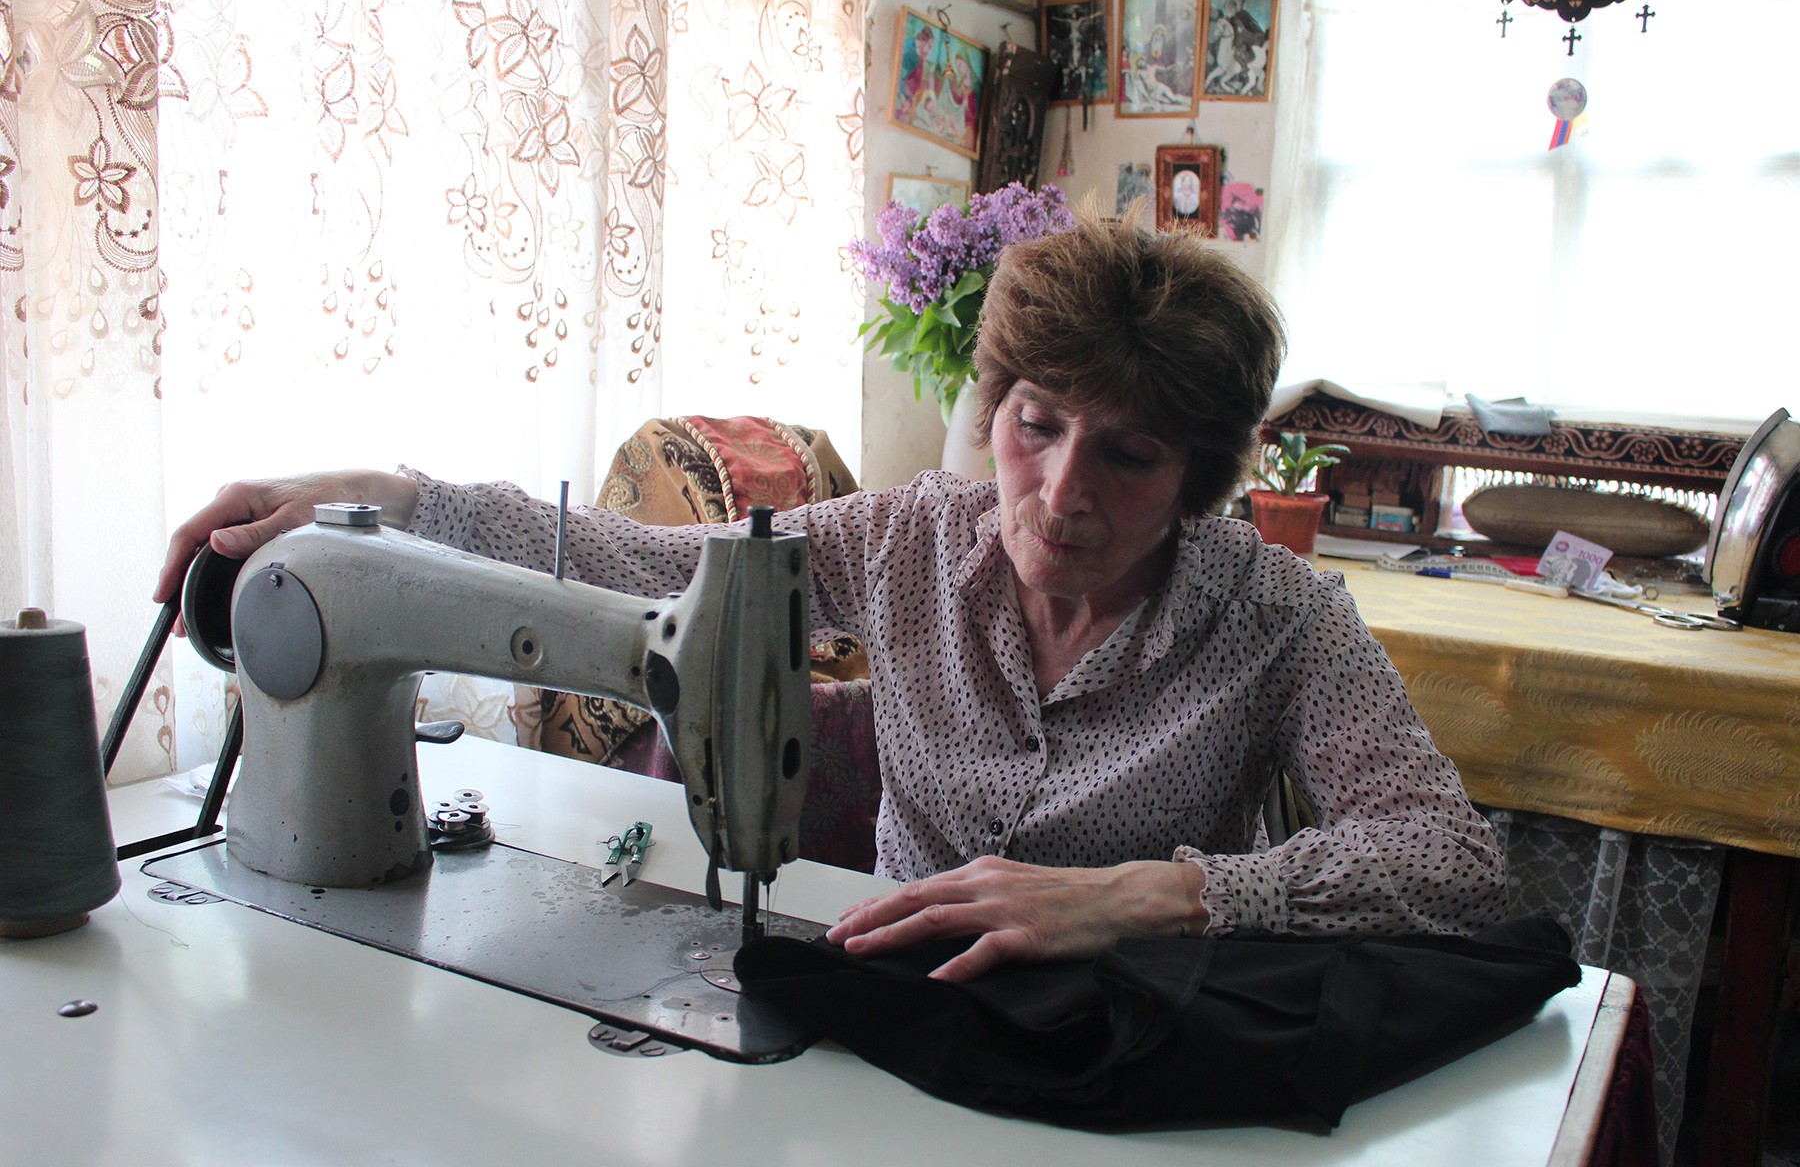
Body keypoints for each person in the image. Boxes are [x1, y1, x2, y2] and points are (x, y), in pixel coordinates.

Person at [154, 210, 1506, 985]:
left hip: (1142, 1057)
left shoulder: (1280, 617)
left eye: (1131, 454)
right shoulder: (909, 542)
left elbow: (1452, 863)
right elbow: (657, 574)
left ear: (1202, 477)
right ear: (996, 407)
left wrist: (1149, 897)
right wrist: (385, 497)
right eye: (1036, 425)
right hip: (904, 1016)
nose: (1061, 489)